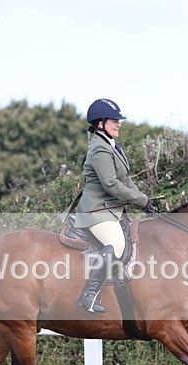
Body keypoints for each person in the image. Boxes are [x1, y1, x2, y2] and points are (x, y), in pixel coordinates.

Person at [74, 98, 157, 313]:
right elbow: (111, 184)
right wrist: (141, 200)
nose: (118, 124)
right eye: (114, 120)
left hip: (110, 210)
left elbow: (125, 181)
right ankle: (89, 294)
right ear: (100, 123)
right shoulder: (100, 149)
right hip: (96, 210)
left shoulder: (112, 146)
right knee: (116, 243)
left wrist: (145, 200)